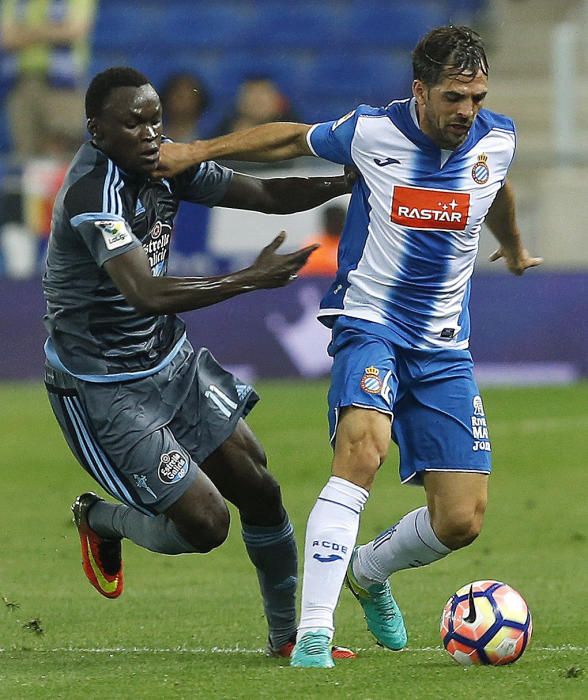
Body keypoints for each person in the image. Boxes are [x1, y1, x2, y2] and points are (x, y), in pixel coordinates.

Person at [155, 25, 543, 668]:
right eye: (453, 97)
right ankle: (313, 632)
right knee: (363, 450)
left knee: (461, 520)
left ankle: (367, 573)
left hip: (445, 344)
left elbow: (496, 188)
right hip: (371, 323)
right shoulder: (372, 131)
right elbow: (286, 136)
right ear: (420, 91)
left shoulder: (496, 137)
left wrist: (515, 243)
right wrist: (193, 150)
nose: (466, 111)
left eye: (476, 96)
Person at [42, 67, 357, 661]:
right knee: (207, 525)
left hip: (168, 359)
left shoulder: (168, 165)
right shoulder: (92, 193)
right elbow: (145, 293)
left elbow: (262, 194)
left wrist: (345, 179)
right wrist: (249, 280)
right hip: (102, 386)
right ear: (97, 131)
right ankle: (102, 520)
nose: (149, 132)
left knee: (260, 487)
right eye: (132, 122)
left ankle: (288, 637)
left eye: (155, 118)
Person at [0, 0, 96, 160]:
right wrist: (51, 30)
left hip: (64, 85)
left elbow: (75, 29)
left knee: (64, 153)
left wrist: (27, 32)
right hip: (21, 85)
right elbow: (7, 38)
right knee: (26, 159)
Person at [160, 72, 210, 143]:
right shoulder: (154, 136)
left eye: (188, 97)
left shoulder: (211, 135)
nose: (182, 102)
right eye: (178, 96)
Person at [299, 204, 346, 277]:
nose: (336, 224)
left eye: (339, 220)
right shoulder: (313, 247)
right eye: (332, 220)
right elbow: (306, 274)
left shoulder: (352, 244)